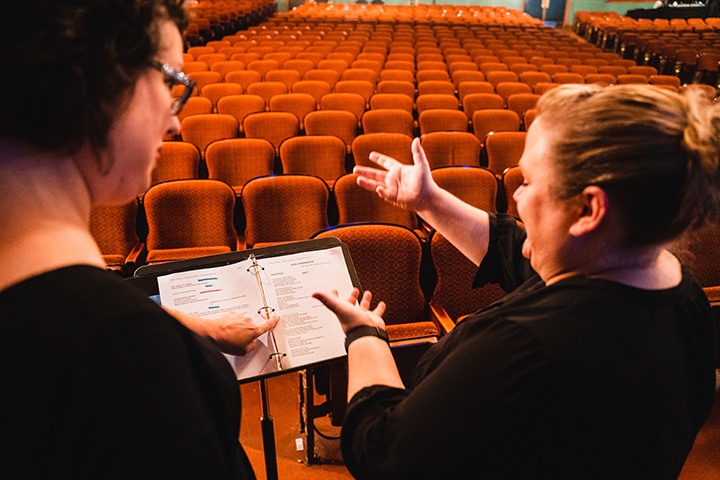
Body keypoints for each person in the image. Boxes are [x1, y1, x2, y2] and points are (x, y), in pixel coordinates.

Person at [313, 84, 719, 479]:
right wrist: (428, 200)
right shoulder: (681, 295)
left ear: (589, 209)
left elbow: (382, 452)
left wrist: (364, 334)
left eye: (527, 181)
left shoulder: (523, 348)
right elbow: (517, 253)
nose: (518, 198)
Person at [0, 1, 278, 478]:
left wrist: (188, 327)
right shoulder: (126, 356)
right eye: (170, 81)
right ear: (99, 77)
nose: (173, 120)